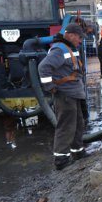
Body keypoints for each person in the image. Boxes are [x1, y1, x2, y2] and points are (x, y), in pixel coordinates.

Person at [38, 23, 87, 170]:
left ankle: (78, 152)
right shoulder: (60, 50)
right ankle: (61, 160)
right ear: (71, 35)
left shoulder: (70, 48)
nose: (80, 41)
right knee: (66, 126)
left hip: (73, 93)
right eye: (79, 37)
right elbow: (43, 68)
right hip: (65, 94)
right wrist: (50, 87)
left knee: (78, 124)